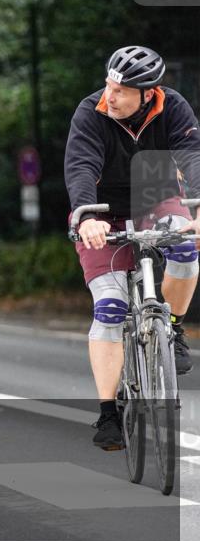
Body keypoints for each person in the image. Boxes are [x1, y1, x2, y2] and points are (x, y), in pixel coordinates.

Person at [65, 45, 200, 450]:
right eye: (109, 85)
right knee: (109, 307)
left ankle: (172, 329)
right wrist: (86, 216)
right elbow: (81, 165)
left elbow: (191, 155)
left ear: (148, 92)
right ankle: (109, 412)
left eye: (121, 90)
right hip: (101, 211)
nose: (111, 96)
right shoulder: (91, 112)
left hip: (156, 198)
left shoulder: (173, 107)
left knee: (186, 248)